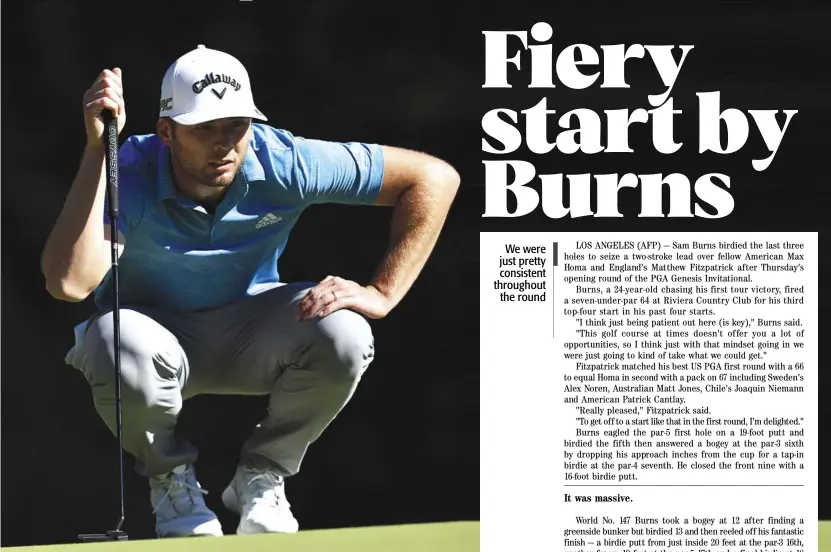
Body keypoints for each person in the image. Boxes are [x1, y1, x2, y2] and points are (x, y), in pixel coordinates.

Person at [41, 45, 459, 538]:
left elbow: (434, 177)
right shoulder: (127, 169)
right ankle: (171, 483)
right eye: (204, 129)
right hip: (149, 344)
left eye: (236, 125)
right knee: (115, 338)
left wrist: (383, 291)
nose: (224, 144)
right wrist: (97, 151)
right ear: (166, 132)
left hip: (251, 333)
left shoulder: (281, 159)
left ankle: (264, 475)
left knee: (345, 331)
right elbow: (69, 283)